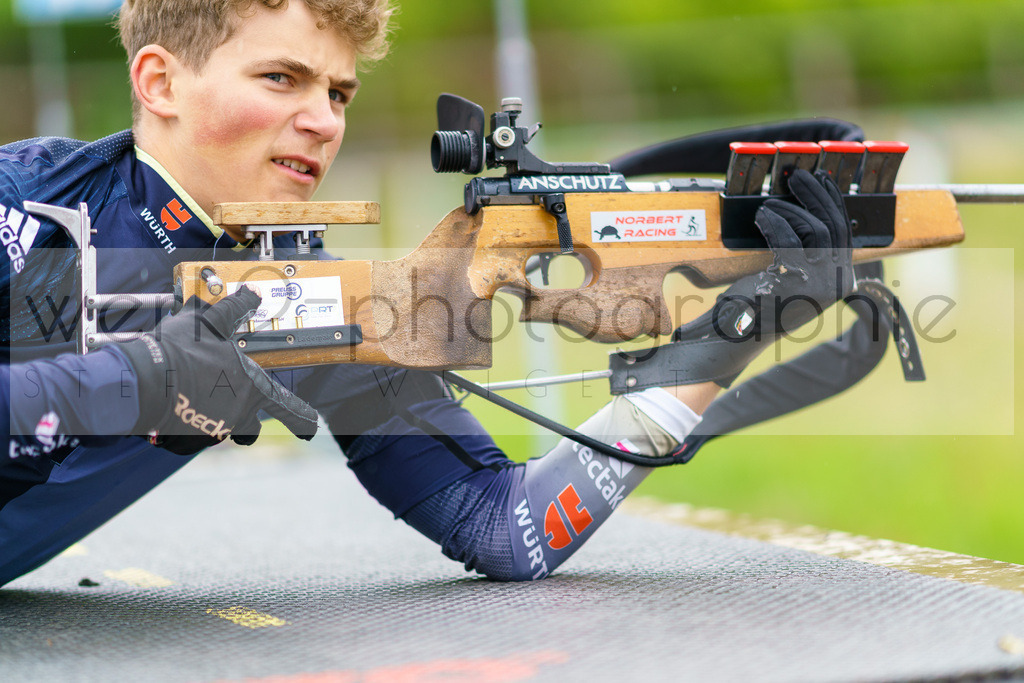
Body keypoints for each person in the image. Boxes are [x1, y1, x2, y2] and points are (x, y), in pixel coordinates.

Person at [1, 0, 853, 585]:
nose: (326, 120)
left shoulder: (310, 294)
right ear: (159, 83)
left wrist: (736, 331)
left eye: (339, 92)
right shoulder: (23, 205)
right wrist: (143, 377)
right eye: (282, 79)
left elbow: (507, 526)